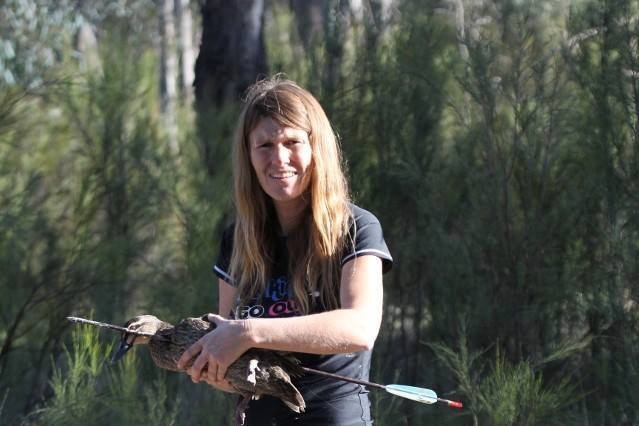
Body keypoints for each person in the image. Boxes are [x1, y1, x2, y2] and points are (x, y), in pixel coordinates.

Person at [178, 75, 392, 425]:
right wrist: (216, 368)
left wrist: (249, 331)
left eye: (292, 141)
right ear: (248, 155)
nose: (279, 158)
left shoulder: (356, 228)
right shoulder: (237, 239)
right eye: (264, 146)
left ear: (316, 147)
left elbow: (360, 328)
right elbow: (233, 351)